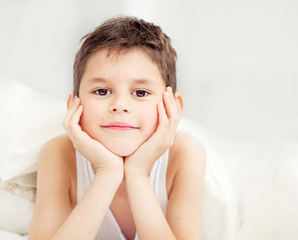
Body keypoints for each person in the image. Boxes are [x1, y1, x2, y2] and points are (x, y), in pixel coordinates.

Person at [29, 16, 206, 240]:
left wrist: (138, 174)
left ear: (174, 107)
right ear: (74, 104)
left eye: (140, 93)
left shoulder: (186, 154)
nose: (120, 106)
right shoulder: (58, 153)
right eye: (102, 91)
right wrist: (107, 172)